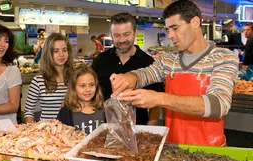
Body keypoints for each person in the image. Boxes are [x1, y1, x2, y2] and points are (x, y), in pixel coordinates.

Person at [110, 0, 239, 146]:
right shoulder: (168, 60)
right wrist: (130, 78)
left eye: (175, 28)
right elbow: (145, 74)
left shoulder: (224, 57)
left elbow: (218, 105)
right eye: (168, 29)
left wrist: (159, 98)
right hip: (172, 147)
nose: (170, 35)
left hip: (211, 151)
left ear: (195, 22)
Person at [92, 12, 164, 125]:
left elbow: (156, 102)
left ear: (135, 33)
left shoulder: (148, 63)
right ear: (111, 35)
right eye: (117, 35)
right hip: (107, 127)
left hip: (139, 128)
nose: (121, 40)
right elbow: (92, 92)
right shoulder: (100, 60)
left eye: (126, 34)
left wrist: (151, 126)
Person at [24, 33, 74, 122]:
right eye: (56, 51)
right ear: (48, 53)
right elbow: (28, 111)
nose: (61, 54)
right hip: (46, 132)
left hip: (71, 130)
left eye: (64, 50)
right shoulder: (38, 80)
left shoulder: (75, 78)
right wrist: (33, 130)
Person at [57, 66, 105, 134]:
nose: (88, 89)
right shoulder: (66, 112)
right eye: (82, 86)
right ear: (74, 88)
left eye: (91, 85)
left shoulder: (104, 110)